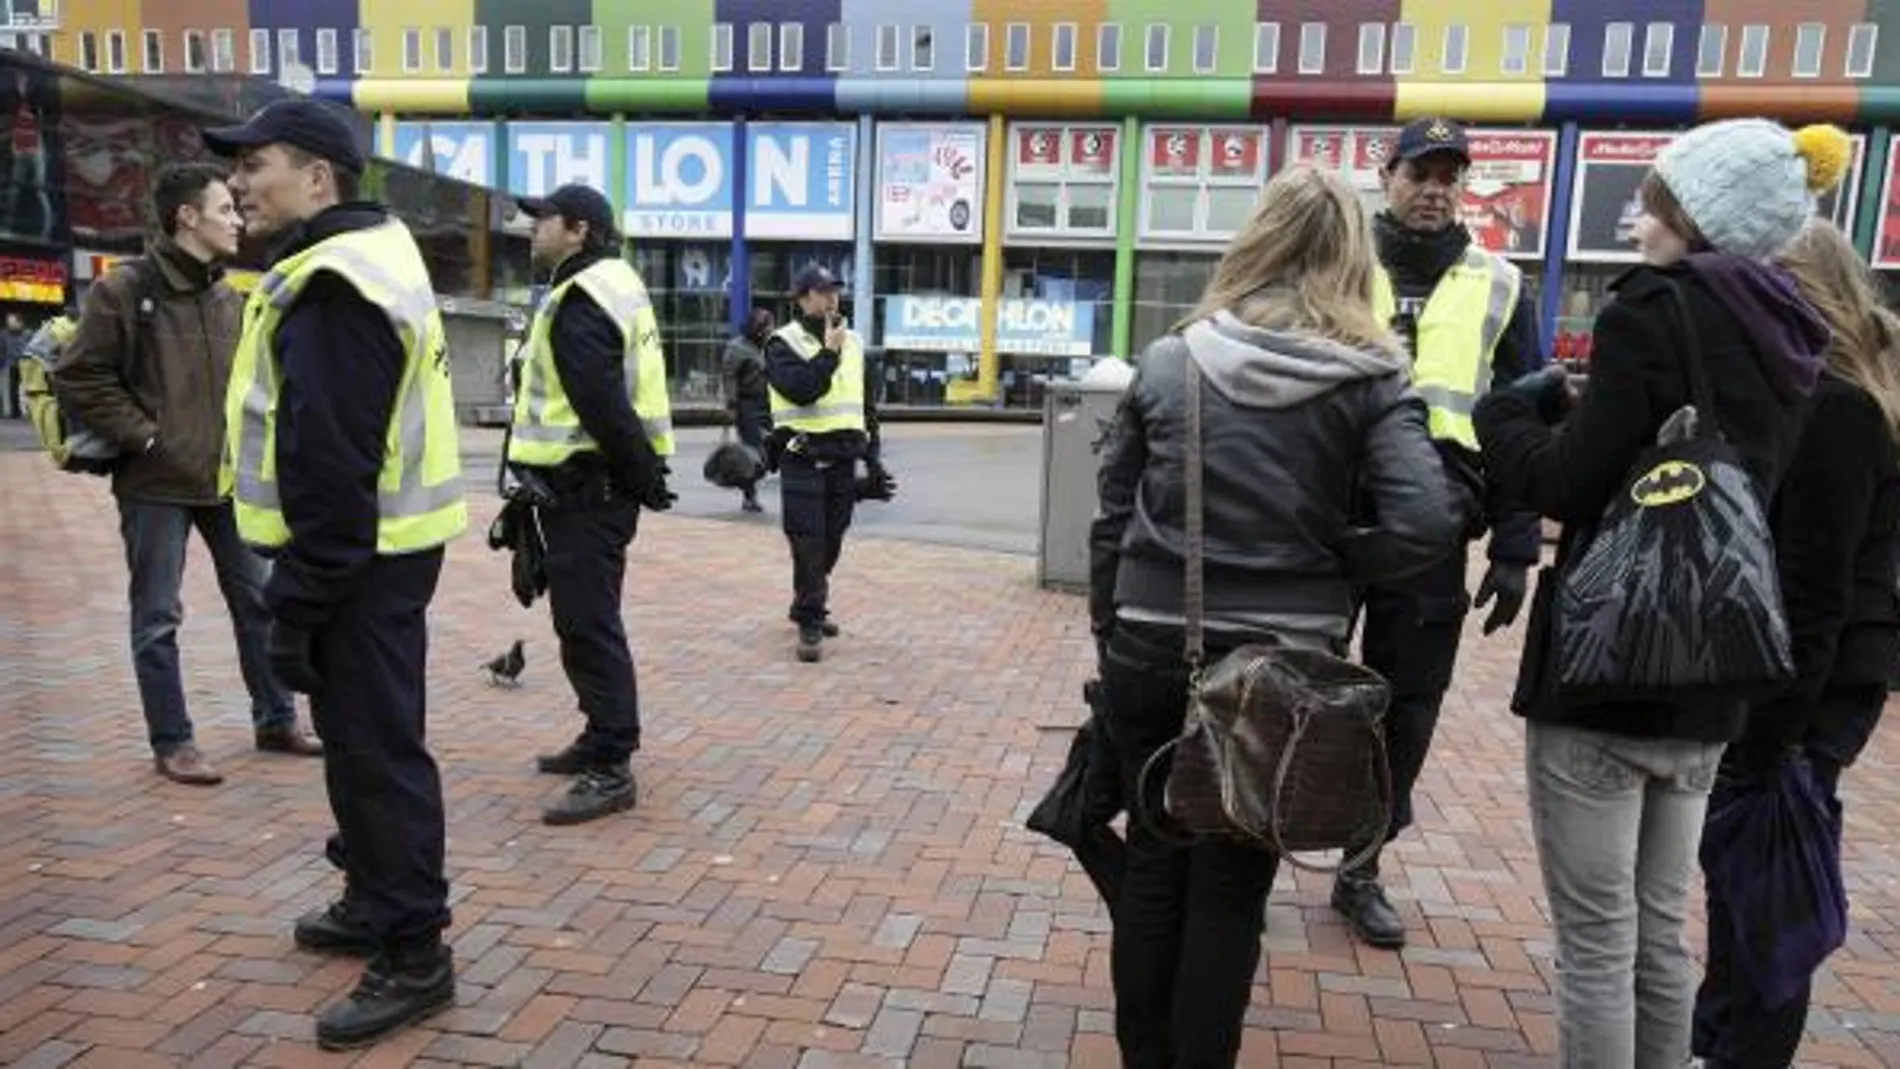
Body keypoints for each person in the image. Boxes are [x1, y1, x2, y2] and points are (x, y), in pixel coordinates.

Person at [1473, 119, 1845, 1067]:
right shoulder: (1792, 330)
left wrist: (1505, 417)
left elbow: (1567, 483)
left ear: (1699, 213)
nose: (1639, 217)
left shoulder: (1651, 309)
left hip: (1611, 666)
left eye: (1656, 197)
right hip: (1712, 679)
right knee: (1659, 930)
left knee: (1597, 940)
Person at [1089, 165, 1470, 1069]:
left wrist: (1114, 630)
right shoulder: (1371, 374)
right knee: (1230, 884)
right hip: (1283, 671)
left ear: (1253, 240)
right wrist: (1338, 557)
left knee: (1152, 863)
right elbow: (1424, 521)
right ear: (1350, 256)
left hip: (1154, 639)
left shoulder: (1173, 357)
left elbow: (1110, 510)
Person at [204, 98, 467, 1051]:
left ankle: (413, 952)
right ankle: (372, 899)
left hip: (357, 565)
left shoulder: (335, 285)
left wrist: (296, 604)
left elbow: (331, 465)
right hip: (386, 556)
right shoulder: (376, 254)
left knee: (376, 753)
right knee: (371, 743)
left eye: (256, 163)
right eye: (236, 168)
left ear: (318, 178)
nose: (238, 181)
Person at [1691, 217, 1900, 1068]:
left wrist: (1771, 739)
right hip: (1800, 686)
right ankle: (1718, 1041)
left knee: (1768, 906)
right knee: (1745, 891)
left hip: (1803, 698)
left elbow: (1816, 595)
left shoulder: (1838, 409)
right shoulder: (1827, 400)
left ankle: (1738, 1052)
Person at [1339, 115, 1546, 949]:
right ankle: (1259, 834)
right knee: (1287, 680)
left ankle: (1362, 863)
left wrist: (1516, 544)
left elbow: (1530, 420)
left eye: (1449, 176)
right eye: (1418, 172)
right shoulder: (1338, 264)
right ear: (1385, 176)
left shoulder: (1500, 282)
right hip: (1331, 510)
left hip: (1436, 523)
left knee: (1410, 704)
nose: (1434, 189)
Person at [53, 163, 317, 785]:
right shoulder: (126, 290)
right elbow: (78, 374)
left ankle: (276, 718)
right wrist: (145, 436)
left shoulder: (227, 297)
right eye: (225, 209)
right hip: (153, 483)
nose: (236, 218)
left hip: (224, 481)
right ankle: (173, 741)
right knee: (157, 617)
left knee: (259, 603)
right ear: (187, 217)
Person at [508, 182, 675, 827]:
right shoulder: (609, 283)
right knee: (582, 619)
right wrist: (644, 476)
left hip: (588, 489)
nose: (532, 228)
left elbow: (600, 400)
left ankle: (613, 760)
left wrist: (639, 475)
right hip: (593, 488)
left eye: (541, 219)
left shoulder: (583, 297)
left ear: (577, 229)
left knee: (588, 622)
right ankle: (599, 736)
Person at [762, 265, 893, 663]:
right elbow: (802, 391)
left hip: (842, 458)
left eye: (834, 290)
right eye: (822, 292)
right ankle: (811, 621)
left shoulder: (853, 340)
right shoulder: (781, 343)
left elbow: (865, 406)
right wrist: (829, 353)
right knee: (808, 542)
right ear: (801, 298)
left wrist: (872, 459)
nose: (832, 298)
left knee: (832, 539)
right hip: (801, 456)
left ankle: (806, 602)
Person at [723, 307, 775, 512]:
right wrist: (731, 405)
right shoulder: (737, 347)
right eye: (768, 326)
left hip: (768, 405)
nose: (772, 330)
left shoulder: (767, 346)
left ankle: (747, 482)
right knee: (754, 452)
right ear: (757, 328)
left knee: (770, 452)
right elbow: (729, 377)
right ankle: (749, 494)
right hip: (747, 406)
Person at [2, 311, 26, 417]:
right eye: (8, 321)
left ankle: (28, 410)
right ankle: (15, 412)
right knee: (13, 389)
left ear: (19, 322)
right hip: (11, 365)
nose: (9, 324)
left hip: (26, 364)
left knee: (27, 388)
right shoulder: (4, 334)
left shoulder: (27, 333)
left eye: (11, 321)